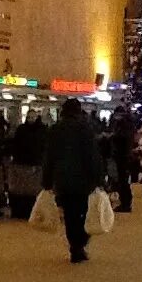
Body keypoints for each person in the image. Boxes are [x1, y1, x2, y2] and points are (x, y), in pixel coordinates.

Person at [42, 99, 102, 264]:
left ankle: (74, 245)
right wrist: (98, 178)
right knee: (82, 212)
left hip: (62, 179)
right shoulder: (85, 130)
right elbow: (93, 157)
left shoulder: (55, 130)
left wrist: (47, 180)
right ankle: (79, 244)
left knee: (69, 214)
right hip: (83, 180)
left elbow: (49, 157)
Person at [109, 106, 136, 212]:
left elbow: (121, 138)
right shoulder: (128, 124)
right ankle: (125, 202)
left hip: (122, 155)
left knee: (123, 180)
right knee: (122, 180)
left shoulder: (124, 126)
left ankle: (125, 203)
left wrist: (112, 137)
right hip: (124, 155)